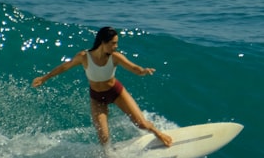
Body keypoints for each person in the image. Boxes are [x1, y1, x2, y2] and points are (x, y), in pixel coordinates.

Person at [31, 26, 174, 149]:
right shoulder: (84, 56)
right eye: (113, 43)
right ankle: (110, 157)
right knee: (103, 138)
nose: (116, 46)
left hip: (116, 92)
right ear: (102, 42)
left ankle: (158, 133)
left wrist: (143, 71)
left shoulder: (115, 57)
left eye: (116, 43)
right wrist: (44, 78)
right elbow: (64, 67)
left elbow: (134, 68)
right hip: (97, 97)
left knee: (141, 123)